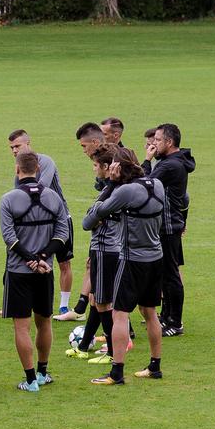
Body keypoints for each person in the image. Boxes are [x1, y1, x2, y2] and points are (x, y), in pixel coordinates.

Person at [83, 147, 166, 384]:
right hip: (155, 256)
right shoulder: (156, 185)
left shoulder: (126, 191)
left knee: (119, 313)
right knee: (150, 313)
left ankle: (116, 372)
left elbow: (89, 220)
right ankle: (155, 366)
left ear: (116, 168)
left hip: (131, 260)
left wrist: (110, 184)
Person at [0, 152, 70, 392]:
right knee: (44, 323)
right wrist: (42, 257)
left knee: (22, 327)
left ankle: (29, 380)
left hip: (19, 271)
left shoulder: (9, 199)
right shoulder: (53, 197)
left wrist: (30, 258)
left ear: (17, 169)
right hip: (45, 270)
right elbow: (62, 233)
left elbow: (10, 238)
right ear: (38, 169)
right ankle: (42, 373)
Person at [7, 130, 79, 322]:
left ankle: (64, 305)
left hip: (58, 218)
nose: (14, 150)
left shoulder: (45, 162)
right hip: (34, 220)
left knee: (63, 262)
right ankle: (21, 302)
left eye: (18, 146)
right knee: (25, 257)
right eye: (12, 147)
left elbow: (40, 189)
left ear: (28, 143)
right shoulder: (20, 167)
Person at [66, 145, 124, 364]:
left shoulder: (114, 191)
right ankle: (83, 346)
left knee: (102, 303)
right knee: (94, 299)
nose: (93, 169)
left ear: (107, 167)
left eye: (95, 165)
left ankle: (111, 352)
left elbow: (88, 221)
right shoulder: (110, 188)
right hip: (100, 250)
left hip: (107, 251)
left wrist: (91, 218)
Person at [144, 123, 195, 337]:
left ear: (169, 142)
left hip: (166, 226)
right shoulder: (171, 161)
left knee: (171, 275)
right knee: (165, 274)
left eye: (157, 140)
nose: (153, 144)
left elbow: (143, 182)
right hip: (170, 224)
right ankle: (165, 318)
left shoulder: (170, 166)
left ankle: (175, 322)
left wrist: (147, 159)